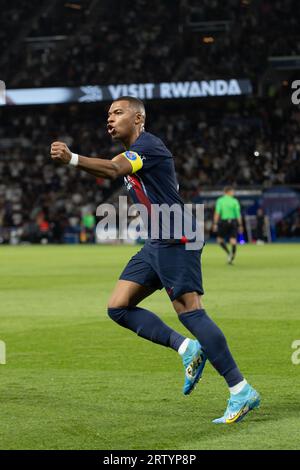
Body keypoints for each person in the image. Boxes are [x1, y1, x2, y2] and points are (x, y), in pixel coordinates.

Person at [50, 96, 260, 424]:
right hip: (157, 240)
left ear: (138, 119)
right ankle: (186, 349)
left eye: (118, 113)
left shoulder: (149, 146)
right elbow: (120, 166)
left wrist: (73, 158)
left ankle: (240, 388)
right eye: (108, 114)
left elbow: (112, 169)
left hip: (176, 236)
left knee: (190, 311)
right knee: (118, 306)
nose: (110, 119)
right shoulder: (133, 153)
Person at [213, 187, 243, 264]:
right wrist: (240, 225)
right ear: (227, 192)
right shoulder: (234, 201)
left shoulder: (220, 200)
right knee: (233, 240)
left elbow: (217, 213)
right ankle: (231, 256)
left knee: (219, 240)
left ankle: (229, 253)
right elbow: (238, 214)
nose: (233, 193)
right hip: (233, 222)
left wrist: (215, 224)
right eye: (232, 192)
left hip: (224, 222)